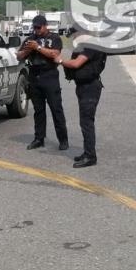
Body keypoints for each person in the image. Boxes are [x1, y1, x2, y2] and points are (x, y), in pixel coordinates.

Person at [16, 14, 69, 150]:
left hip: (49, 76)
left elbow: (55, 54)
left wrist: (38, 48)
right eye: (34, 28)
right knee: (38, 111)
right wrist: (28, 49)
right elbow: (19, 56)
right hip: (34, 76)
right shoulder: (30, 39)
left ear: (45, 26)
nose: (36, 30)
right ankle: (39, 138)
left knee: (56, 109)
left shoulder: (54, 38)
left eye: (39, 27)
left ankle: (63, 140)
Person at [56, 28, 107, 168]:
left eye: (74, 35)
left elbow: (76, 63)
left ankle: (91, 156)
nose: (73, 39)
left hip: (90, 87)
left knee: (86, 122)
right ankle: (87, 152)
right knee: (84, 121)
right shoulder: (85, 46)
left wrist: (59, 60)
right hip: (84, 86)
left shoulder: (91, 46)